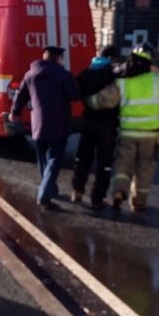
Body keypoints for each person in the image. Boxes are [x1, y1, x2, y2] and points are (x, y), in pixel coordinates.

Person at [89, 43, 159, 212]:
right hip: (151, 134)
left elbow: (107, 99)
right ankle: (138, 202)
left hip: (127, 132)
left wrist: (88, 102)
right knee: (145, 168)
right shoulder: (158, 80)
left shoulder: (123, 78)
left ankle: (119, 191)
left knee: (123, 165)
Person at [8, 45, 81, 211]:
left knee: (43, 159)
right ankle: (44, 195)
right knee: (55, 159)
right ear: (58, 58)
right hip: (59, 123)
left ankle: (50, 189)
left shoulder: (30, 75)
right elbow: (75, 95)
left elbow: (20, 96)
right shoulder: (63, 75)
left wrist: (15, 113)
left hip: (38, 124)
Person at [70, 44, 120, 209]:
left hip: (88, 121)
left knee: (83, 157)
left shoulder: (85, 74)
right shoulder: (113, 75)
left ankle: (77, 190)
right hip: (107, 124)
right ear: (111, 59)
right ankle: (97, 198)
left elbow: (77, 93)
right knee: (104, 162)